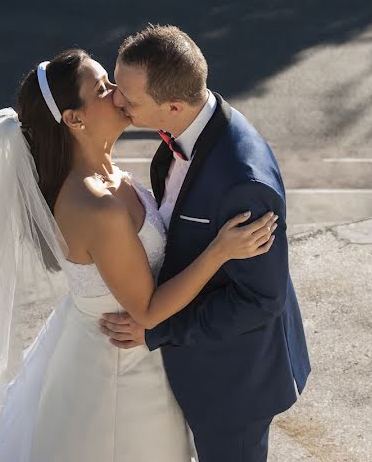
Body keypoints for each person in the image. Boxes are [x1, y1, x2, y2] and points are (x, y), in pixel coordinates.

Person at [0, 49, 279, 462]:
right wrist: (220, 252)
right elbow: (146, 310)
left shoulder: (106, 174)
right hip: (117, 374)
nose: (118, 94)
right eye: (104, 88)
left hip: (115, 351)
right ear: (74, 119)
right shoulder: (95, 205)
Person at [102, 25, 311, 462]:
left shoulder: (242, 184)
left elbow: (259, 301)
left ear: (173, 105)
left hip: (233, 381)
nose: (116, 101)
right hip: (192, 363)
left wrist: (158, 328)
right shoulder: (187, 131)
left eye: (129, 98)